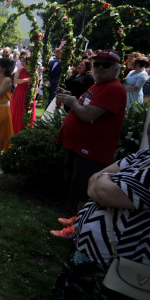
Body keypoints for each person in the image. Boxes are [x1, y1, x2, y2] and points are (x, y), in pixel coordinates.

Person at [51, 120, 150, 300]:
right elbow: (94, 180)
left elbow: (100, 187)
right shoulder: (143, 156)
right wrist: (105, 188)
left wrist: (105, 185)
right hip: (94, 257)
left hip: (123, 265)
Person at [56, 49, 127, 212]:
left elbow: (88, 115)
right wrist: (71, 97)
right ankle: (74, 225)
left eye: (106, 65)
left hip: (91, 151)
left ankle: (79, 231)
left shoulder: (113, 88)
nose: (100, 67)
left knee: (84, 194)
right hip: (79, 147)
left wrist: (73, 102)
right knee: (76, 189)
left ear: (116, 69)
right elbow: (85, 105)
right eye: (97, 64)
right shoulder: (99, 84)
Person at [10, 51, 36, 133]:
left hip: (28, 95)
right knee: (16, 114)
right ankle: (15, 131)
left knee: (27, 114)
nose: (23, 63)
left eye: (24, 61)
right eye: (21, 61)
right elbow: (15, 81)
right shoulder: (20, 71)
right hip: (18, 94)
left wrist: (33, 97)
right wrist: (26, 80)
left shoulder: (34, 72)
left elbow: (36, 85)